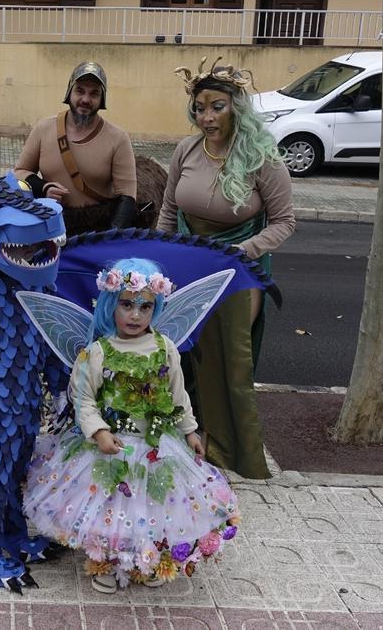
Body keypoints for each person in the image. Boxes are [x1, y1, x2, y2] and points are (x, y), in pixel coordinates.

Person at [24, 258, 240, 594]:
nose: (135, 315)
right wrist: (98, 430)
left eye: (145, 307)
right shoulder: (98, 352)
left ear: (157, 308)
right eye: (127, 305)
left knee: (154, 505)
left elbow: (177, 393)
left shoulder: (165, 348)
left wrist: (189, 430)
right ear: (110, 305)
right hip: (111, 447)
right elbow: (83, 399)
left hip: (157, 445)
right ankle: (110, 561)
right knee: (111, 508)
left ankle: (149, 559)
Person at [157, 58, 295, 480]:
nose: (207, 117)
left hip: (239, 270)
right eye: (200, 108)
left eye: (217, 106)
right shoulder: (186, 150)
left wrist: (245, 249)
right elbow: (168, 210)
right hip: (188, 265)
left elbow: (285, 221)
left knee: (227, 360)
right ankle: (185, 441)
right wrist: (157, 261)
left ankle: (231, 451)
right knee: (182, 355)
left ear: (236, 107)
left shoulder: (261, 157)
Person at [14, 61, 142, 234]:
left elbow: (127, 196)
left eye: (94, 93)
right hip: (51, 226)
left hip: (95, 231)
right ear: (69, 92)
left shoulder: (118, 138)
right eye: (80, 91)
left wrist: (108, 239)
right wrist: (43, 188)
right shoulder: (43, 129)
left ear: (102, 98)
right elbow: (19, 172)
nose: (86, 100)